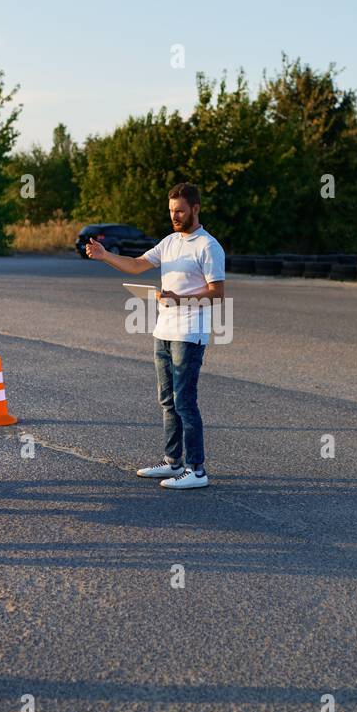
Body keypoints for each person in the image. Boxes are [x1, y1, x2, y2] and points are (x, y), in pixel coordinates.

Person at [86, 182, 225, 489]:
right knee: (167, 401)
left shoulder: (208, 246)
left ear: (195, 209)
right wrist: (105, 255)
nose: (175, 216)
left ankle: (197, 470)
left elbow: (217, 292)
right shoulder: (170, 242)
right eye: (171, 211)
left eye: (180, 211)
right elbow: (137, 265)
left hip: (189, 334)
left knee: (185, 401)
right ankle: (173, 462)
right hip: (163, 331)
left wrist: (179, 299)